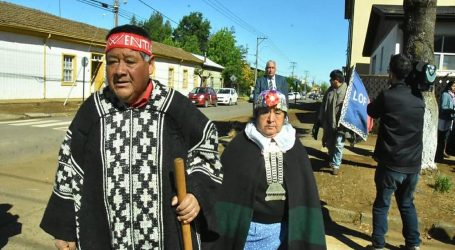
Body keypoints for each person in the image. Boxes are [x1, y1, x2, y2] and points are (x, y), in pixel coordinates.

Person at [40, 24, 223, 249]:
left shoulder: (175, 109)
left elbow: (206, 146)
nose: (119, 70)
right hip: (106, 237)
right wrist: (65, 229)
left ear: (151, 65)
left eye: (130, 61)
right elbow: (69, 168)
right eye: (112, 61)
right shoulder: (93, 112)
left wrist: (195, 193)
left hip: (168, 238)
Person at [208, 90, 326, 249]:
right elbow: (223, 193)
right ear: (256, 115)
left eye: (277, 112)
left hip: (286, 231)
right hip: (247, 233)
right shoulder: (240, 145)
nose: (271, 119)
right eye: (265, 112)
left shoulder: (293, 146)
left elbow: (305, 193)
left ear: (285, 116)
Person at [366, 54, 425, 250]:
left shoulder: (388, 96)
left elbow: (372, 111)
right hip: (413, 165)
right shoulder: (419, 98)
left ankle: (379, 245)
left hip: (390, 164)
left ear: (391, 72)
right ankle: (413, 244)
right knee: (407, 204)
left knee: (382, 205)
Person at [312, 69, 348, 175]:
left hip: (340, 123)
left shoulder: (347, 90)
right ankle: (332, 159)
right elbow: (323, 105)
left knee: (339, 144)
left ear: (336, 80)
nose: (330, 81)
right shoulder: (329, 90)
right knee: (330, 143)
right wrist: (320, 118)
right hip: (328, 122)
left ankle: (336, 165)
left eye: (331, 79)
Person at [435, 80, 455, 162]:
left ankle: (443, 152)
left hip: (450, 118)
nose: (454, 88)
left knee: (446, 136)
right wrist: (452, 110)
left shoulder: (453, 95)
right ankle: (438, 155)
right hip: (443, 118)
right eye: (454, 86)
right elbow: (443, 107)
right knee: (441, 137)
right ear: (450, 86)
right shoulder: (446, 94)